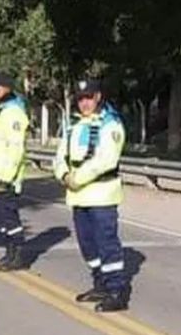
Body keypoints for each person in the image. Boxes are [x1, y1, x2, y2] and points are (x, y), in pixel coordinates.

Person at [54, 78, 128, 313]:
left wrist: (77, 179)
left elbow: (106, 159)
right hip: (78, 196)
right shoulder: (74, 125)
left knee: (107, 243)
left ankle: (116, 290)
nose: (84, 103)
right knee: (87, 244)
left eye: (88, 98)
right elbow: (60, 155)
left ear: (97, 97)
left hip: (102, 195)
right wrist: (63, 174)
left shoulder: (110, 124)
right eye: (80, 99)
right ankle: (100, 284)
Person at [0, 72, 31, 271]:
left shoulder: (14, 113)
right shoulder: (0, 111)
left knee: (10, 219)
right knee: (2, 220)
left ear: (4, 89)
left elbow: (16, 148)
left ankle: (18, 256)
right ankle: (9, 254)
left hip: (6, 179)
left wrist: (7, 177)